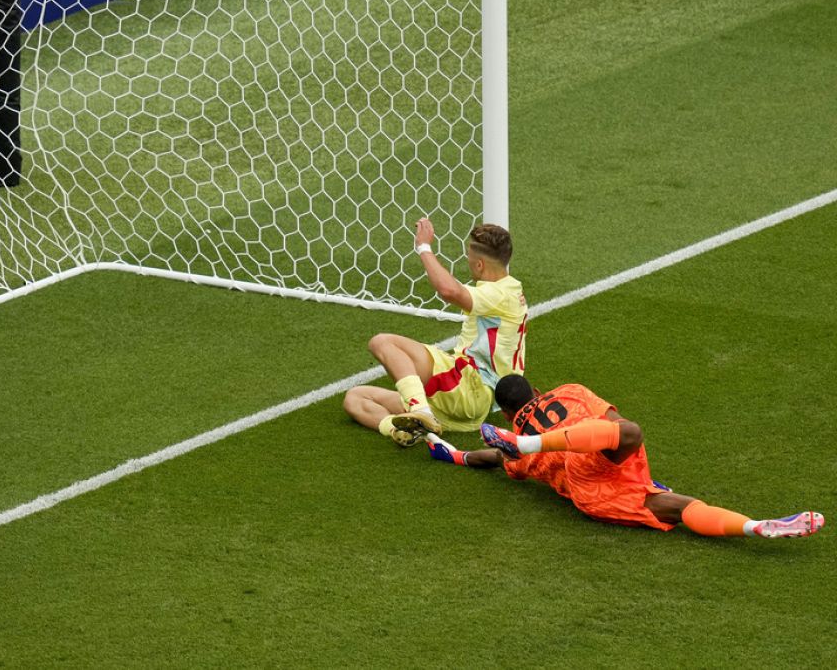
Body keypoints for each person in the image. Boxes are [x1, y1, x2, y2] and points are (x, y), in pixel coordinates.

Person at [428, 375, 824, 539]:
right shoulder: (570, 391)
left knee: (672, 505)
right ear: (535, 389)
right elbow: (611, 419)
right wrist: (617, 449)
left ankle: (757, 526)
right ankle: (753, 524)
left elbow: (491, 459)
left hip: (587, 489)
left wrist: (457, 455)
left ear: (507, 414)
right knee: (630, 433)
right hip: (596, 450)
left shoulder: (508, 453)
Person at [343, 220, 527, 446]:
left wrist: (424, 247)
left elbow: (449, 290)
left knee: (383, 343)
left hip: (471, 387)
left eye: (469, 258)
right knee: (356, 398)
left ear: (479, 265)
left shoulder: (498, 294)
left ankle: (421, 411)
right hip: (468, 406)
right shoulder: (508, 289)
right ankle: (406, 431)